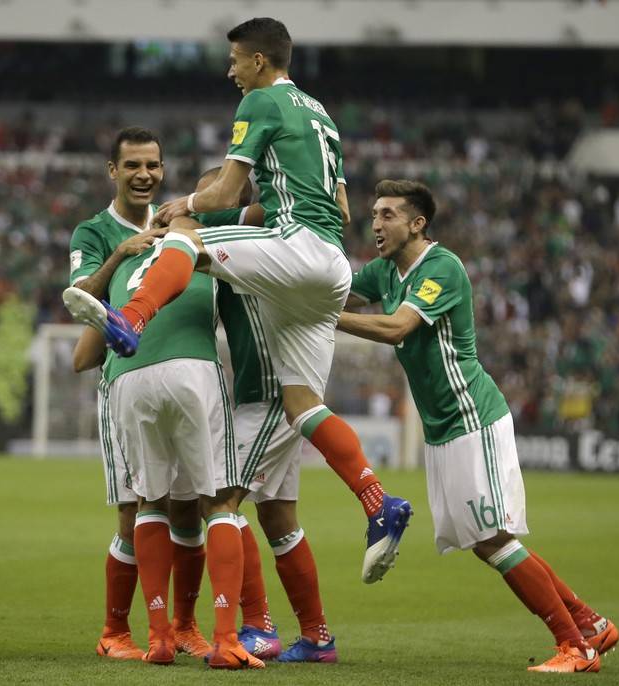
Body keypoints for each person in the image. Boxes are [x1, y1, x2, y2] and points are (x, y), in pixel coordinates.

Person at [62, 17, 412, 584]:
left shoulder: (260, 102)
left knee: (185, 240)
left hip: (295, 245)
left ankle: (131, 318)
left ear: (258, 61)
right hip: (331, 264)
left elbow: (224, 190)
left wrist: (183, 205)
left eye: (234, 61)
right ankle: (377, 502)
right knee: (303, 404)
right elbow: (344, 208)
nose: (231, 72)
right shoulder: (322, 115)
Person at [337, 180, 619, 674]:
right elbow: (335, 292)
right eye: (374, 214)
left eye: (388, 215)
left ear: (417, 223)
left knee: (493, 538)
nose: (376, 224)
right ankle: (588, 622)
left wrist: (327, 319)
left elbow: (397, 327)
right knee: (486, 541)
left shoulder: (442, 267)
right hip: (442, 430)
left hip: (472, 417)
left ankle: (576, 647)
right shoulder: (383, 271)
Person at [67, 221, 265, 670]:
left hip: (127, 375)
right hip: (192, 369)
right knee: (219, 503)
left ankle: (159, 638)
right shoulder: (206, 250)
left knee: (149, 502)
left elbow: (82, 356)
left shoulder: (129, 260)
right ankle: (226, 640)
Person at [67, 127, 210, 661]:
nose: (144, 174)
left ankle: (185, 626)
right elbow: (77, 297)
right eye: (132, 165)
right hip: (127, 382)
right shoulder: (94, 231)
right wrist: (117, 256)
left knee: (189, 506)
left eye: (152, 165)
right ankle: (114, 632)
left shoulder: (178, 222)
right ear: (113, 171)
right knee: (135, 510)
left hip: (183, 374)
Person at [194, 168, 337, 662]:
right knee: (278, 517)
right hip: (276, 388)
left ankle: (257, 626)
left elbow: (188, 236)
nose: (201, 207)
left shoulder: (249, 239)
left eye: (210, 198)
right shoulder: (259, 243)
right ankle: (317, 637)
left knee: (219, 500)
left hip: (270, 392)